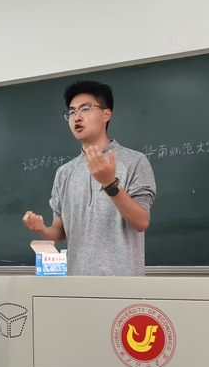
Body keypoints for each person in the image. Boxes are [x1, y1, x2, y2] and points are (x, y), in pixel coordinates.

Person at [22, 80, 156, 276]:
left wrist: (110, 184)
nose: (76, 117)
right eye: (71, 112)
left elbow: (141, 222)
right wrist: (41, 229)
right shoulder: (64, 172)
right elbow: (60, 232)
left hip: (123, 283)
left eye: (85, 109)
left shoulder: (135, 161)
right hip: (77, 283)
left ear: (106, 114)